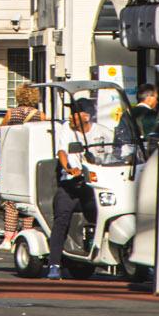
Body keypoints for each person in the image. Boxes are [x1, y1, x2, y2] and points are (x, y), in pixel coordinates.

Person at [46, 100, 113, 279]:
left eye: (74, 113)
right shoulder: (67, 129)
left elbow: (116, 153)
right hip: (70, 183)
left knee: (105, 214)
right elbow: (62, 151)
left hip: (94, 185)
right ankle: (54, 264)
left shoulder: (103, 133)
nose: (70, 117)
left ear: (86, 116)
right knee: (61, 217)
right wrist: (68, 168)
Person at [0, 85, 45, 247]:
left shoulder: (11, 113)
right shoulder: (40, 115)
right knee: (28, 198)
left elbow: (1, 130)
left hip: (13, 160)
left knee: (11, 200)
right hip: (31, 160)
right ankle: (26, 233)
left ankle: (8, 238)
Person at [115, 83, 159, 162]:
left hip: (127, 155)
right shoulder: (151, 115)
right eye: (156, 98)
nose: (157, 101)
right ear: (149, 98)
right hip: (145, 156)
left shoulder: (126, 113)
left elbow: (120, 135)